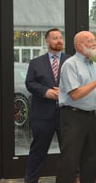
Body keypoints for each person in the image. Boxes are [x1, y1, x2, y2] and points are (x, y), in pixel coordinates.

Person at [56, 31, 96, 183]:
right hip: (72, 117)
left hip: (90, 117)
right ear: (80, 45)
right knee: (70, 160)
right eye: (90, 41)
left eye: (95, 40)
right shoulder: (70, 65)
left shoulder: (94, 66)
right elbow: (75, 94)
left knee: (90, 159)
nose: (95, 43)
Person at [24, 28, 71, 183]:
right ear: (47, 41)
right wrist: (46, 92)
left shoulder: (71, 62)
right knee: (38, 152)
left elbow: (79, 83)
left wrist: (63, 91)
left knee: (70, 151)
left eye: (60, 38)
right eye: (55, 38)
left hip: (66, 114)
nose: (59, 40)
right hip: (42, 115)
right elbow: (30, 83)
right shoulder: (36, 63)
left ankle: (70, 179)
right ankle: (31, 180)